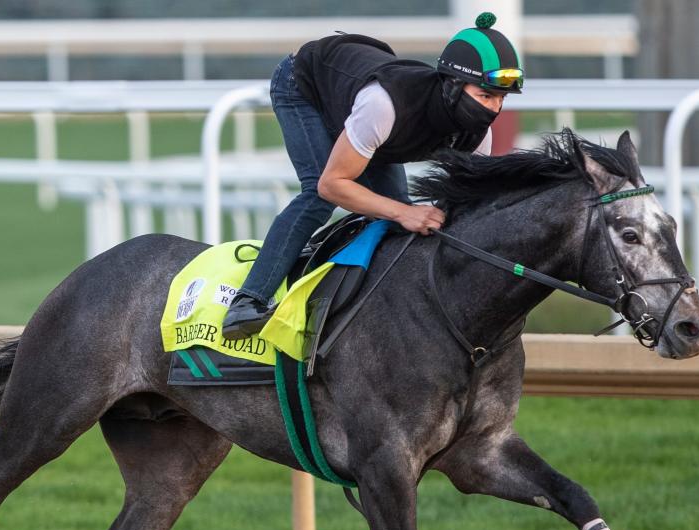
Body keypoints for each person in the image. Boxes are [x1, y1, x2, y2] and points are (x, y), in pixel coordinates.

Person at [221, 12, 524, 340]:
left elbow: (461, 211)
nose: (493, 109)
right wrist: (406, 212)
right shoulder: (386, 105)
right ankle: (247, 301)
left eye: (501, 98)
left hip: (364, 113)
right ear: (452, 86)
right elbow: (332, 184)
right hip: (304, 85)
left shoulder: (478, 136)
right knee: (319, 197)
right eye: (485, 96)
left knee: (396, 216)